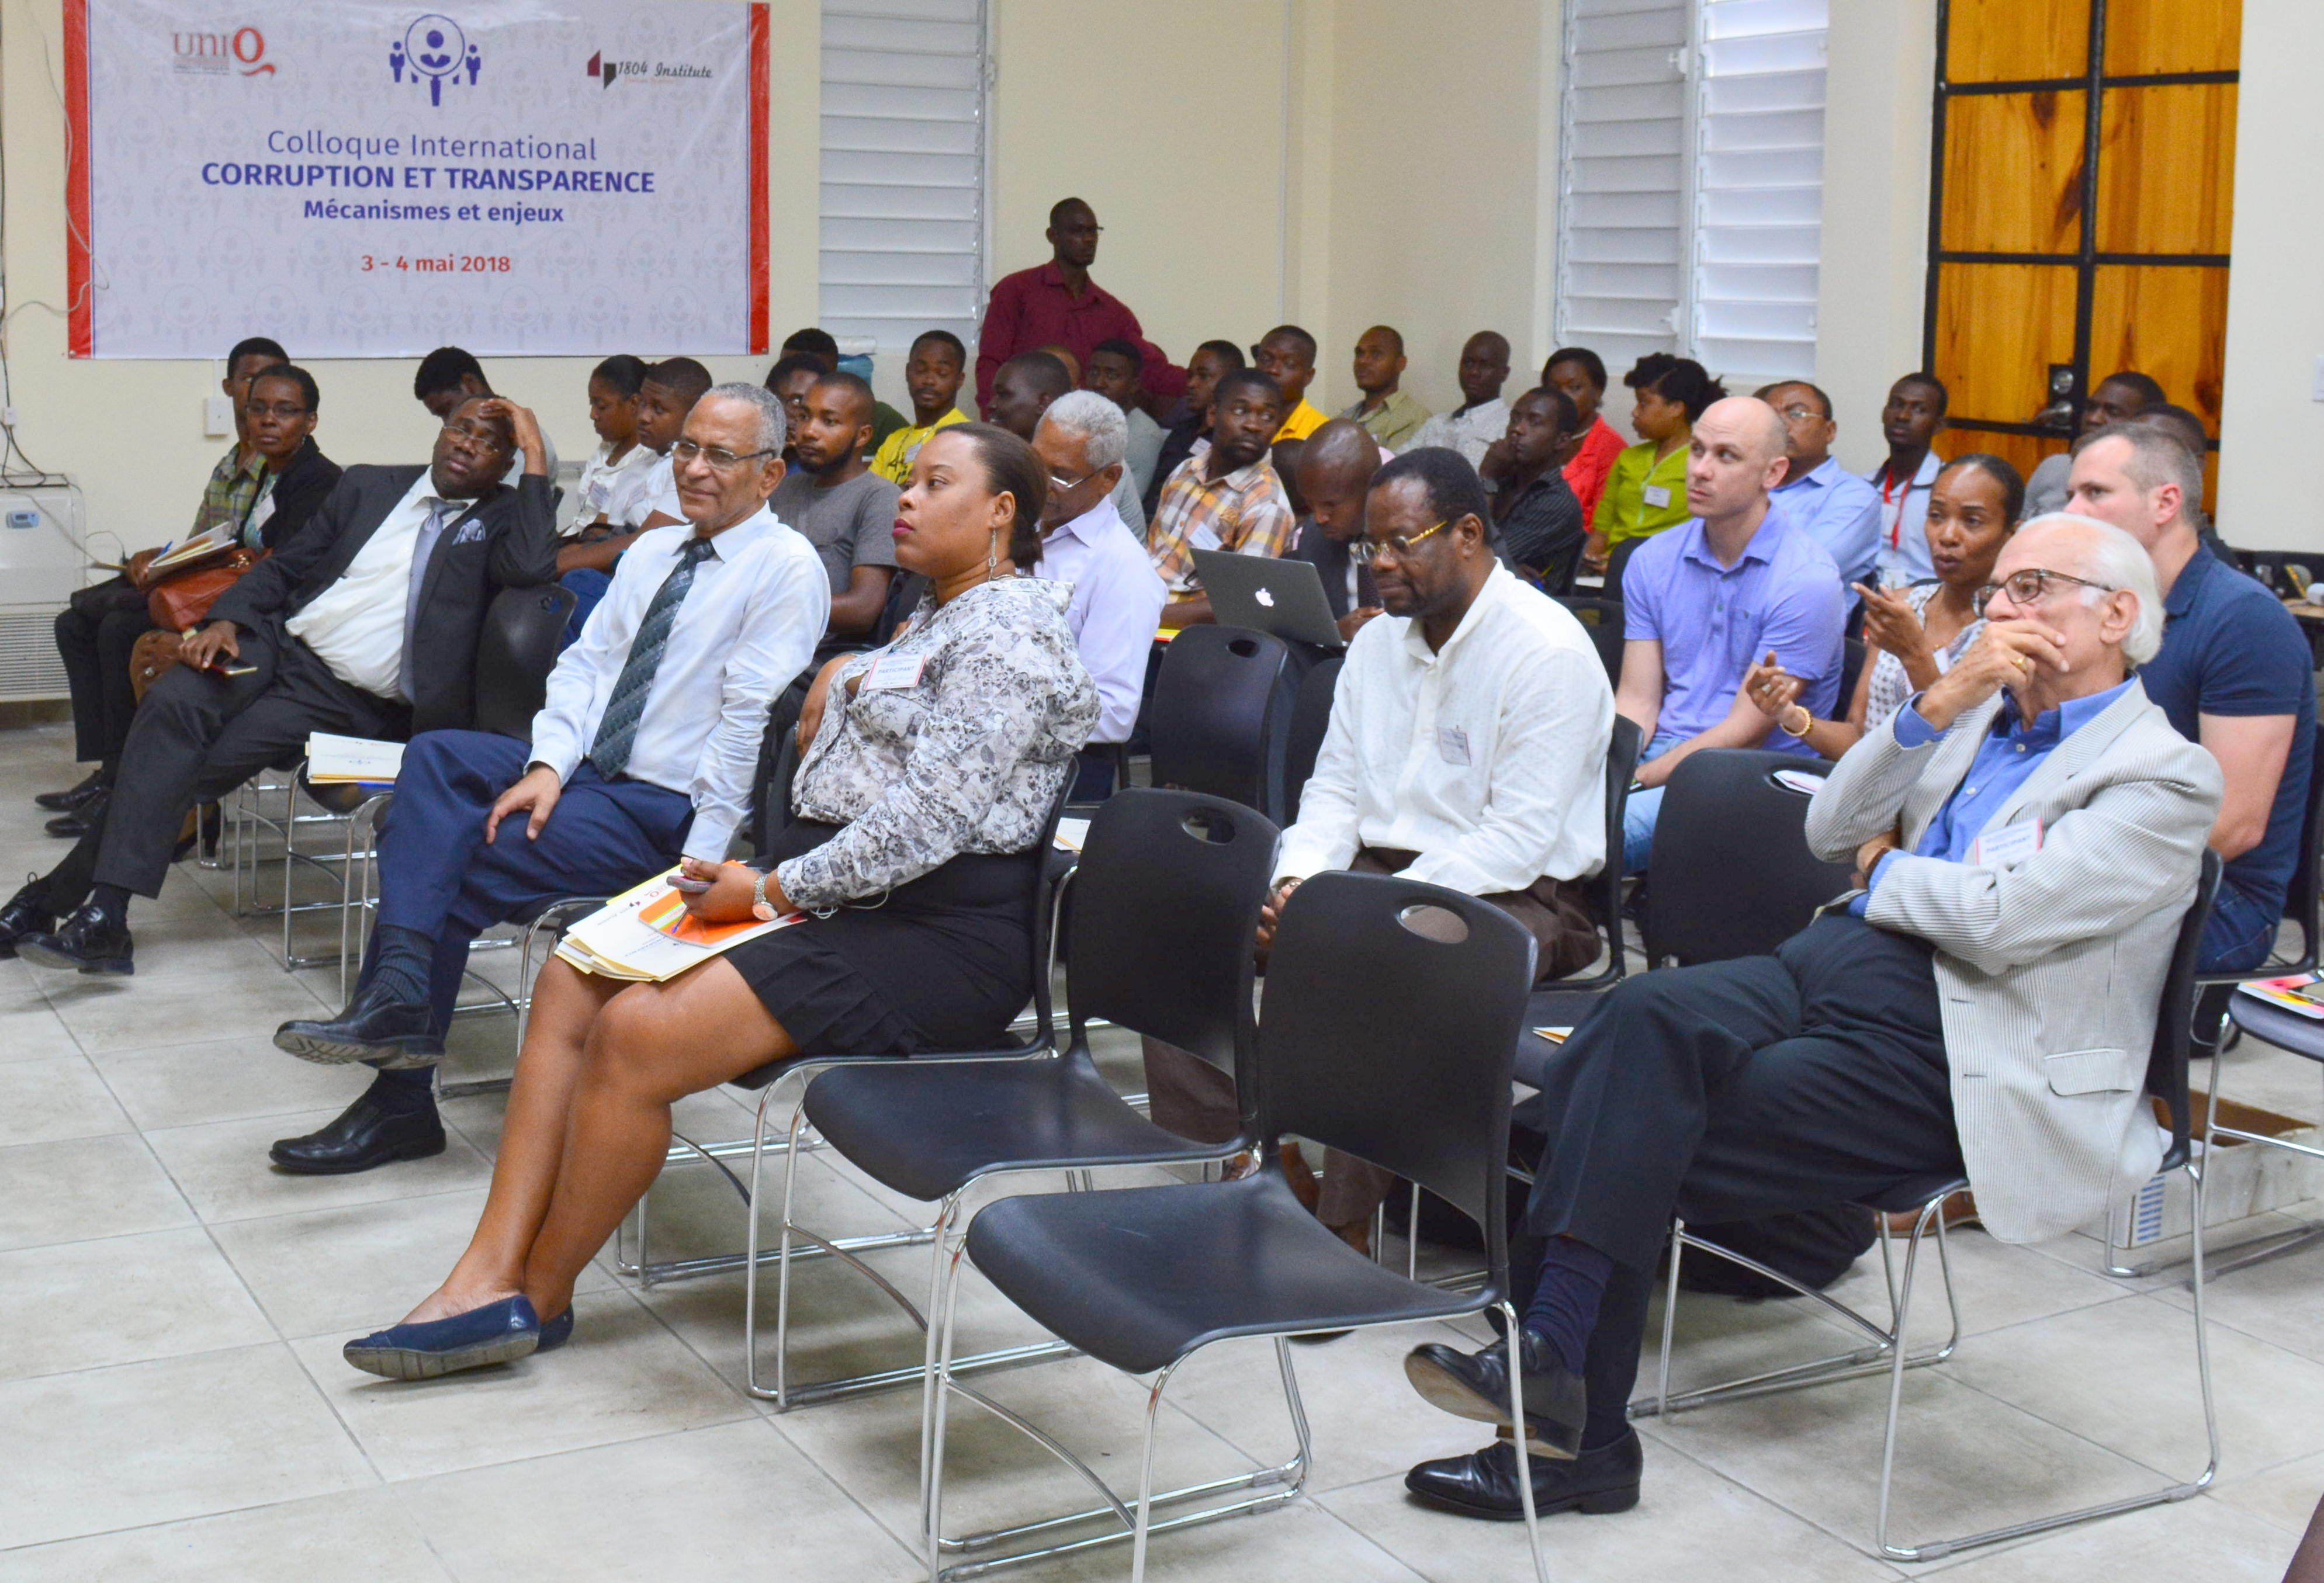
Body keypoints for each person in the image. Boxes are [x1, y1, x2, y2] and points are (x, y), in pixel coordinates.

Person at [1399, 513, 2219, 1521]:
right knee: (1640, 1014)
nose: (1999, 609)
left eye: (2031, 586)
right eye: (1998, 589)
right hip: (1830, 963)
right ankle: (1558, 1378)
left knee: (1614, 1114)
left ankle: (1568, 1425)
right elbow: (1829, 828)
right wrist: (1932, 706)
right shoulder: (1977, 715)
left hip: (1963, 1036)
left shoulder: (2163, 774)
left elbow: (1998, 919)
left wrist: (1884, 867)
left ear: (2117, 615)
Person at [330, 424, 1098, 1380]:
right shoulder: (941, 611)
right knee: (573, 976)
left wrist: (768, 888)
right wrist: (841, 672)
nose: (904, 496)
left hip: (931, 936)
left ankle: (537, 1294)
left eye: (936, 483)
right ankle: (485, 1269)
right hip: (840, 896)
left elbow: (926, 825)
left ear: (999, 512)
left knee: (635, 1036)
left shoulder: (1011, 633)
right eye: (910, 479)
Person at [265, 386, 830, 1173]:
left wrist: (699, 869)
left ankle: (398, 1091)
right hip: (587, 770)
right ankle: (396, 1002)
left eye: (719, 456)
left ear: (769, 474)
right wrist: (544, 769)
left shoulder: (786, 568)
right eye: (686, 448)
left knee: (446, 850)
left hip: (660, 810)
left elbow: (746, 723)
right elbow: (585, 668)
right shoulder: (656, 551)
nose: (694, 468)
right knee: (434, 756)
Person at [5, 399, 559, 969]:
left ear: (507, 464)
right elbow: (287, 565)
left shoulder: (503, 517)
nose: (467, 444)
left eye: (490, 443)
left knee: (179, 770)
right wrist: (226, 620)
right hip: (273, 643)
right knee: (172, 704)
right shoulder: (370, 486)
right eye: (461, 429)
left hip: (339, 698)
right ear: (441, 432)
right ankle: (93, 919)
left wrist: (537, 452)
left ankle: (68, 908)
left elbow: (533, 569)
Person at [1251, 448, 1615, 1248]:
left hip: (1518, 894)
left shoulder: (1545, 652)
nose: (1379, 563)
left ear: (1468, 536)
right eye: (1369, 545)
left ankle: (1342, 1227)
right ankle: (1255, 1160)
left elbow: (1516, 840)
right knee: (1215, 913)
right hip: (1379, 872)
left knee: (1391, 956)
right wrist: (1298, 882)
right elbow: (1334, 791)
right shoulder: (1378, 643)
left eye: (1401, 542)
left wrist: (1357, 911)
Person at [2066, 423, 2315, 974]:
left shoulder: (2243, 620)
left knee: (1988, 952)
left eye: (2095, 493)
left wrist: (2067, 878)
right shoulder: (2103, 606)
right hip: (2102, 854)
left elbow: (2233, 825)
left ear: (2165, 503)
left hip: (2216, 898)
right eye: (2071, 494)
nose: (2073, 511)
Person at [43, 338, 292, 823]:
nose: (261, 393)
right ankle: (107, 767)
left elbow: (257, 556)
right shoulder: (229, 463)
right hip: (203, 580)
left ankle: (123, 781)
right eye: (250, 380)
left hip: (230, 597)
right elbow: (203, 542)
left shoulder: (280, 465)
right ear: (229, 388)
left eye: (273, 380)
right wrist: (157, 558)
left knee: (118, 628)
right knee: (73, 623)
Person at [1616, 397, 1845, 872]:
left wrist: (1634, 781)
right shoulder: (1652, 559)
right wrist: (1605, 769)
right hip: (1663, 751)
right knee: (1539, 815)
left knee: (1595, 834)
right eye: (1697, 449)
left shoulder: (1806, 579)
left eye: (1726, 456)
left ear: (1773, 473)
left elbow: (1744, 731)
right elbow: (1637, 701)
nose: (1699, 470)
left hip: (1751, 775)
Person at [1744, 454, 2024, 759]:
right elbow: (1859, 736)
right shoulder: (1901, 607)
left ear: (2012, 534)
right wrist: (1788, 714)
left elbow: (1957, 756)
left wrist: (1914, 654)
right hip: (1869, 783)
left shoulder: (2007, 629)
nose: (1947, 536)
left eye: (1972, 521)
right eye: (1936, 516)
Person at [1030, 392, 1167, 795]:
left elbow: (1113, 712)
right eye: (1035, 464)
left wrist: (1008, 712)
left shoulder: (1121, 568)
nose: (1041, 483)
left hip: (1058, 770)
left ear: (1109, 479)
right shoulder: (1011, 522)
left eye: (1061, 475)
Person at [974, 198, 1184, 415]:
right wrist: (993, 419)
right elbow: (991, 363)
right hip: (1021, 423)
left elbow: (1151, 369)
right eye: (1078, 231)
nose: (1089, 239)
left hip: (1082, 426)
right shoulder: (1016, 290)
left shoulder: (1113, 312)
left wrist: (1201, 379)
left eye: (1093, 231)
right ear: (1052, 236)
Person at [560, 358, 708, 641]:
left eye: (659, 409)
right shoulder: (638, 466)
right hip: (617, 571)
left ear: (695, 414)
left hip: (652, 583)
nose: (644, 417)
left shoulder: (688, 469)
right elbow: (602, 529)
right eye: (643, 404)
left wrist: (556, 566)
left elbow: (647, 542)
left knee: (575, 583)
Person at [1146, 369, 1297, 628]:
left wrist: (1144, 618)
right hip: (1139, 608)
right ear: (1213, 414)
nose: (1253, 425)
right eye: (1241, 411)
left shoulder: (1267, 505)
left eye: (1267, 417)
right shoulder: (1185, 471)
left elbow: (1242, 605)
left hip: (1181, 637)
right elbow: (1151, 555)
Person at [769, 372, 901, 648]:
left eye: (829, 422)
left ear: (862, 435)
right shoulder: (784, 489)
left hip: (824, 658)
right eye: (804, 416)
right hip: (763, 644)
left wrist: (765, 606)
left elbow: (863, 609)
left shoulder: (879, 497)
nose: (809, 431)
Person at [1585, 355, 1722, 586]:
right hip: (1608, 573)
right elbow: (1602, 530)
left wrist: (1630, 565)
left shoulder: (1702, 466)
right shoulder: (1628, 458)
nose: (1635, 412)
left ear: (1676, 409)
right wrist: (1591, 561)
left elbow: (1703, 538)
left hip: (1669, 576)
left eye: (1644, 403)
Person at [985, 350, 1147, 536]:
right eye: (1038, 466)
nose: (992, 404)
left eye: (1004, 395)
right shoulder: (1006, 450)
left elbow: (1051, 530)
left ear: (1043, 403)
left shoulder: (1099, 460)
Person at [1758, 379, 1883, 590]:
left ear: (1830, 431)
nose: (1781, 426)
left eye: (1796, 414)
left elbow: (1807, 571)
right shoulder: (1746, 485)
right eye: (1772, 418)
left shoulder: (1854, 495)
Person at [1481, 388, 1587, 594]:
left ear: (1562, 441)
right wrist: (1509, 568)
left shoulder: (1557, 502)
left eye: (1534, 422)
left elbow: (1478, 560)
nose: (1517, 429)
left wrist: (1487, 478)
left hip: (1527, 608)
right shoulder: (1505, 479)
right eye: (1515, 419)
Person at [1286, 419, 1384, 638]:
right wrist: (1335, 633)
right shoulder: (1314, 538)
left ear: (1372, 486)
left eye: (1331, 505)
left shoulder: (1415, 539)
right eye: (1310, 503)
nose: (1319, 518)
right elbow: (1311, 623)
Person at [2025, 370, 2166, 518]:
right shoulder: (2054, 466)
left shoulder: (2150, 485)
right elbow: (2019, 524)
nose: (2093, 418)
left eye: (2113, 412)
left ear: (2143, 422)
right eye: (2091, 407)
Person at [414, 347, 557, 483]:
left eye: (448, 410)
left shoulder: (527, 445)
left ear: (470, 384)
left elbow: (519, 500)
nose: (448, 422)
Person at [1142, 341, 1244, 524]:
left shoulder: (1232, 442)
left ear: (1232, 382)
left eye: (1203, 376)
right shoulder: (1183, 429)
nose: (1191, 384)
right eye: (1190, 376)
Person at [1865, 372, 1948, 586]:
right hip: (1868, 597)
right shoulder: (1863, 487)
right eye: (1896, 405)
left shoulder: (1949, 489)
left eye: (1919, 409)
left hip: (1927, 599)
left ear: (1938, 425)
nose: (1903, 416)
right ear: (1884, 413)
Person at [778, 327, 909, 454]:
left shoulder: (879, 417)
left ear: (834, 370)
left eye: (816, 370)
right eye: (788, 369)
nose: (803, 379)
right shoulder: (771, 414)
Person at [870, 330, 970, 487]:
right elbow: (870, 494)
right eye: (921, 370)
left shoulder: (964, 436)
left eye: (942, 373)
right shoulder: (894, 439)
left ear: (959, 380)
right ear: (907, 373)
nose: (929, 380)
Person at [570, 355, 655, 530]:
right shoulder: (606, 450)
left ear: (634, 404)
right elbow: (583, 519)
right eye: (592, 404)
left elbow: (601, 530)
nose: (593, 415)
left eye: (601, 406)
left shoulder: (648, 460)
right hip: (579, 538)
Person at [1404, 331, 1512, 466]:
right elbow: (1395, 465)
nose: (1474, 372)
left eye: (1485, 366)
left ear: (1504, 373)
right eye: (1468, 363)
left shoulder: (1510, 427)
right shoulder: (1437, 424)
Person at [1543, 348, 1625, 524]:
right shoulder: (1539, 436)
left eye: (1574, 388)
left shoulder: (1611, 448)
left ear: (1597, 391)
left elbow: (1601, 523)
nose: (1563, 398)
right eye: (1554, 389)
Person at [1084, 337, 1168, 498]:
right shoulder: (1081, 419)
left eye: (1111, 375)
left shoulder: (1143, 435)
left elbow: (1119, 500)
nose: (1098, 383)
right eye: (1093, 372)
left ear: (1134, 385)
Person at [1339, 325, 1432, 451]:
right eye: (1359, 354)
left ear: (1401, 364)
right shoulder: (1343, 418)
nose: (1363, 361)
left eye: (1376, 354)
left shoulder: (1415, 418)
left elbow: (1397, 464)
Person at [1253, 325, 1327, 442]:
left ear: (1308, 376)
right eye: (1266, 359)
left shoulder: (1321, 433)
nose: (1273, 369)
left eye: (1289, 364)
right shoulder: (1242, 422)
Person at [763, 354, 825, 465]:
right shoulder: (743, 450)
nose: (807, 420)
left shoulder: (821, 464)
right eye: (797, 402)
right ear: (768, 397)